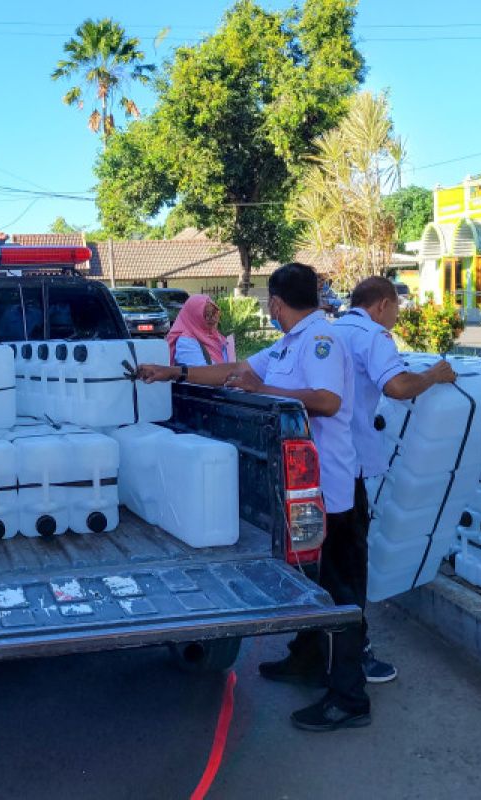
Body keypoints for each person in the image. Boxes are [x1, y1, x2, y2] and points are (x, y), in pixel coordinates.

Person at [136, 262, 369, 732]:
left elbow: (328, 400)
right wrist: (174, 372)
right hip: (308, 486)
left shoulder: (321, 341)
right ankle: (306, 659)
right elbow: (235, 369)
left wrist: (264, 389)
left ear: (276, 302)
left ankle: (349, 697)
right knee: (316, 579)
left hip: (336, 488)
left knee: (343, 593)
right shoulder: (288, 343)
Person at [263, 276, 457, 691]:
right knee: (345, 572)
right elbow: (398, 386)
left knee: (320, 572)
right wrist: (434, 375)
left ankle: (314, 654)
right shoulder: (371, 336)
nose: (397, 316)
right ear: (384, 304)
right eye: (397, 309)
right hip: (345, 469)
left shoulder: (332, 330)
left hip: (318, 470)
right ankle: (353, 658)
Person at [166, 294, 230, 366]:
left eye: (214, 313)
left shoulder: (215, 336)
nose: (213, 319)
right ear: (194, 317)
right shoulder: (185, 342)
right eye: (206, 315)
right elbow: (200, 373)